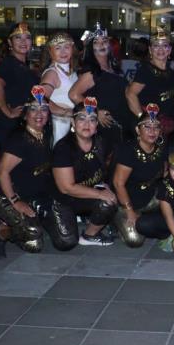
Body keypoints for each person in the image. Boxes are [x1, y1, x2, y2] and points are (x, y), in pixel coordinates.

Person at [0, 86, 52, 257]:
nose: (39, 114)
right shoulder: (19, 139)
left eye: (44, 109)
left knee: (63, 234)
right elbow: (2, 173)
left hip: (34, 196)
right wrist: (16, 201)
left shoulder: (46, 134)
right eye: (34, 109)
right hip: (8, 196)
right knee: (34, 241)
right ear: (25, 114)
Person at [49, 98, 117, 248]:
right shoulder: (63, 148)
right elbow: (66, 188)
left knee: (109, 201)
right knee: (66, 243)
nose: (87, 124)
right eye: (81, 119)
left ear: (96, 125)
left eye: (92, 119)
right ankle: (47, 218)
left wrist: (107, 186)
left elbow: (111, 166)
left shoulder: (102, 142)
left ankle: (90, 235)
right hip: (64, 199)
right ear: (73, 123)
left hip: (88, 192)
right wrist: (100, 194)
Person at [69, 25, 132, 156]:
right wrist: (95, 112)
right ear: (91, 47)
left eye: (104, 40)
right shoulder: (92, 72)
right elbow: (74, 94)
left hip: (121, 126)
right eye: (96, 42)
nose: (101, 44)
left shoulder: (113, 68)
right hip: (105, 129)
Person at [112, 104, 168, 248]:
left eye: (156, 127)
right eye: (147, 127)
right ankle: (117, 219)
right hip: (127, 201)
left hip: (149, 197)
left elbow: (166, 176)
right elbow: (118, 184)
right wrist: (129, 211)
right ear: (138, 129)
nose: (152, 131)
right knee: (134, 241)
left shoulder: (161, 148)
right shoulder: (128, 150)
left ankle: (150, 220)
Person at [0, 23, 38, 148]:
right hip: (11, 127)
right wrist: (8, 112)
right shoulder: (9, 63)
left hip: (21, 126)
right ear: (10, 43)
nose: (23, 41)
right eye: (18, 37)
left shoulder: (23, 65)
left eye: (27, 37)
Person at [126, 27, 174, 138]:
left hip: (163, 127)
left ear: (169, 50)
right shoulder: (146, 70)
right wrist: (144, 119)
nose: (160, 49)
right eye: (156, 45)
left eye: (164, 45)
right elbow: (130, 94)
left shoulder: (170, 71)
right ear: (150, 50)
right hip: (147, 130)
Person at [39, 32, 77, 146]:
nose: (63, 51)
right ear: (50, 51)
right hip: (59, 125)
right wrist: (65, 112)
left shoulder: (71, 71)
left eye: (66, 47)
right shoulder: (52, 72)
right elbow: (39, 99)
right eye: (58, 48)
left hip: (70, 125)